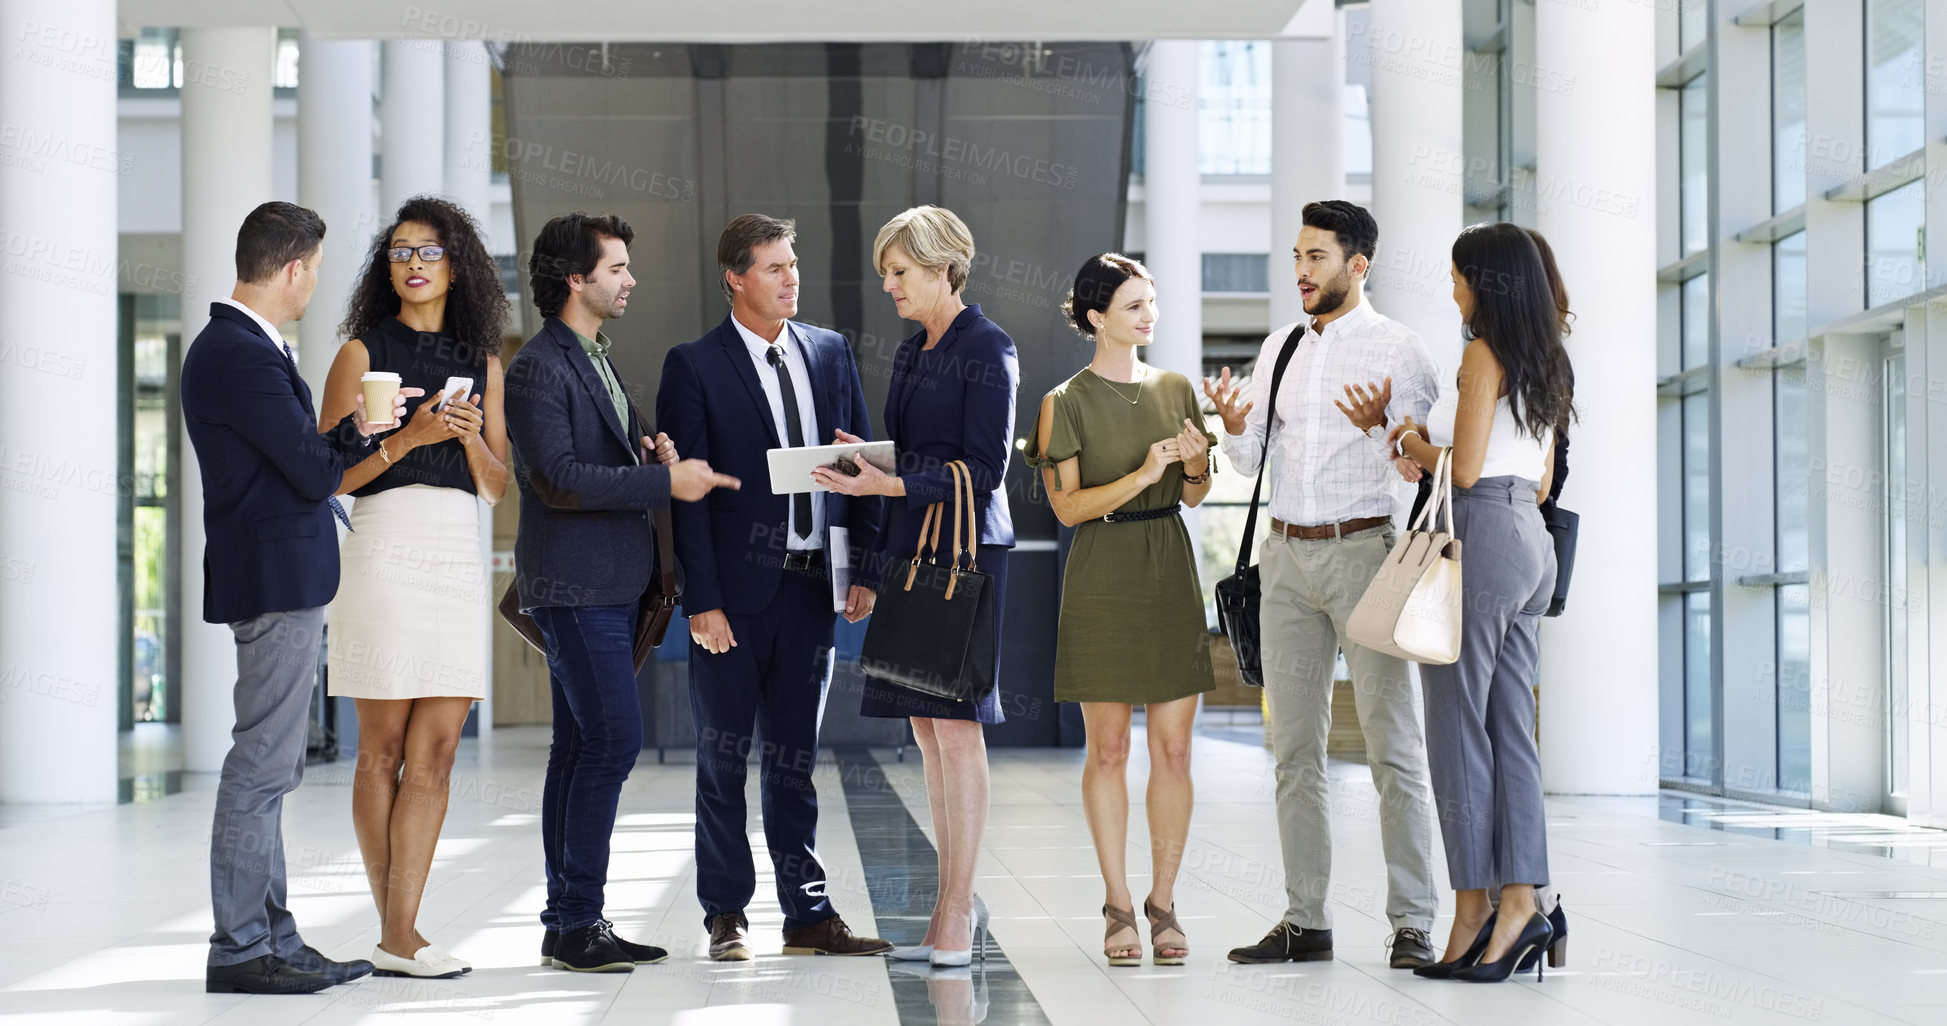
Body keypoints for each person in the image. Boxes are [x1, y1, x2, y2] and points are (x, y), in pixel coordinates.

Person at [1205, 199, 1442, 970]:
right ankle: (1304, 919)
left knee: (1391, 748)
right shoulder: (1279, 347)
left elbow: (1419, 465)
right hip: (1284, 560)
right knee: (1292, 750)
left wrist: (1388, 431)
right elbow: (1248, 463)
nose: (1300, 270)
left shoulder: (1399, 350)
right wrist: (1232, 424)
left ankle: (1411, 921)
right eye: (1296, 256)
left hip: (1364, 554)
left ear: (1356, 264)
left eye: (1315, 257)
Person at [183, 200, 410, 994]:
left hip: (279, 577)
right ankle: (242, 946)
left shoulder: (245, 349)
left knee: (269, 766)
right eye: (312, 269)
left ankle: (269, 935)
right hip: (273, 581)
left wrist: (353, 430)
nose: (314, 283)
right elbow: (312, 473)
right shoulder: (239, 353)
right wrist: (358, 435)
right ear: (291, 269)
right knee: (261, 767)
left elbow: (301, 458)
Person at [505, 212, 738, 973]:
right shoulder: (541, 366)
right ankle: (575, 921)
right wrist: (664, 477)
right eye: (616, 268)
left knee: (578, 749)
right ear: (576, 279)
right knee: (611, 741)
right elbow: (556, 479)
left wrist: (647, 450)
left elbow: (594, 458)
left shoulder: (594, 358)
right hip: (576, 587)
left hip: (606, 585)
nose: (629, 279)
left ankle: (572, 920)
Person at [657, 213, 891, 961]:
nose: (791, 278)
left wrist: (865, 569)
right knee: (722, 762)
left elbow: (862, 466)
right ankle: (725, 912)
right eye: (774, 267)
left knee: (794, 760)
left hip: (809, 586)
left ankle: (809, 915)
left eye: (794, 264)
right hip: (730, 595)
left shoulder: (829, 351)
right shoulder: (693, 365)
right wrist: (702, 599)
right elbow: (686, 495)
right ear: (735, 277)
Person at [811, 206, 1017, 968]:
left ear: (940, 268)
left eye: (898, 273)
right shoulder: (911, 351)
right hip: (909, 552)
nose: (890, 287)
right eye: (886, 274)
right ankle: (944, 905)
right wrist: (866, 461)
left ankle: (958, 909)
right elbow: (909, 456)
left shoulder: (989, 347)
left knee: (956, 733)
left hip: (962, 556)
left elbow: (985, 472)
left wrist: (887, 486)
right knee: (927, 733)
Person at [316, 195, 508, 979]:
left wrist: (463, 445)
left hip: (455, 549)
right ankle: (399, 933)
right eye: (400, 251)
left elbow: (498, 488)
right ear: (385, 266)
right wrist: (411, 440)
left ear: (456, 263)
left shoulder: (485, 359)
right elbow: (328, 476)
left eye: (429, 251)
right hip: (384, 545)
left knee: (436, 753)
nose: (415, 263)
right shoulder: (360, 353)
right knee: (381, 750)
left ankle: (401, 934)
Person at [1382, 222, 1574, 983]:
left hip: (1481, 535)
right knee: (1510, 732)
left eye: (1458, 276)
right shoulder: (1549, 362)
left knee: (1455, 731)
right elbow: (1542, 481)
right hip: (1529, 543)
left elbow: (1458, 471)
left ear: (1484, 283)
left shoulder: (1481, 354)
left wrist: (1408, 447)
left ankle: (1470, 909)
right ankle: (1520, 902)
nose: (1452, 290)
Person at [1023, 253, 1214, 967]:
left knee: (1173, 749)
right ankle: (1116, 903)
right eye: (1134, 305)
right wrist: (1144, 472)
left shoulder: (1175, 388)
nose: (1148, 315)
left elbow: (1193, 494)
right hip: (1101, 570)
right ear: (1095, 315)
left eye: (1151, 302)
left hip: (1167, 565)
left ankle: (1163, 904)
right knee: (1107, 748)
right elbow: (1067, 509)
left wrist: (1190, 465)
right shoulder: (1063, 401)